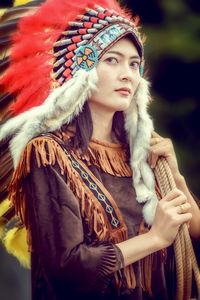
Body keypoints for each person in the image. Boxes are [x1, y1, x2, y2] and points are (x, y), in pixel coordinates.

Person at [0, 0, 200, 299]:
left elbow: (192, 237)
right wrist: (156, 237)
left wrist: (175, 177)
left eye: (134, 63)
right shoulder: (47, 154)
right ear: (81, 68)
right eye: (112, 60)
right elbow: (67, 271)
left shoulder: (142, 155)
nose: (128, 74)